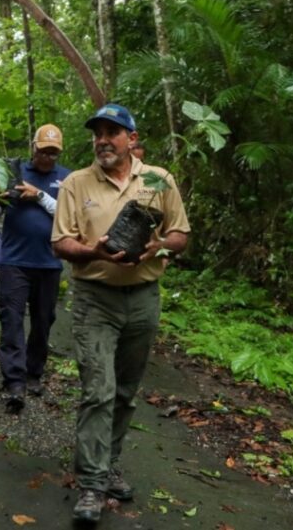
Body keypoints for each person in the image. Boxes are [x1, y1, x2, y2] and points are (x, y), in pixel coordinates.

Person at [51, 103, 190, 523]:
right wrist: (92, 249)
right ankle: (92, 484)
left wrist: (157, 246)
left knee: (126, 391)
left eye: (113, 132)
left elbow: (181, 235)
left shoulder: (158, 179)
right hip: (96, 297)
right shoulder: (76, 183)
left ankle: (108, 464)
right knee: (99, 389)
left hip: (144, 297)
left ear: (132, 139)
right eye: (98, 132)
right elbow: (60, 243)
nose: (103, 139)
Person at [0, 124, 71, 414]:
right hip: (14, 261)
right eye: (44, 151)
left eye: (54, 153)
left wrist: (37, 195)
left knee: (43, 320)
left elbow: (67, 217)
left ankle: (33, 373)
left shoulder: (66, 178)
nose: (48, 157)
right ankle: (14, 381)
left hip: (49, 262)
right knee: (11, 319)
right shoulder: (14, 173)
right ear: (34, 147)